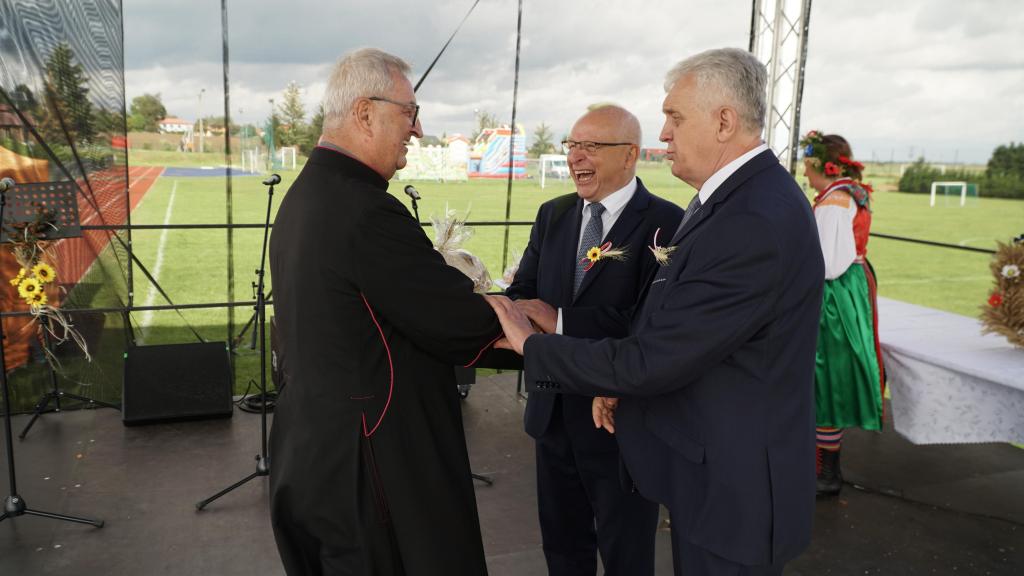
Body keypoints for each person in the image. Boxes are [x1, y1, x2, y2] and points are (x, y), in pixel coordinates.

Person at [485, 47, 824, 576]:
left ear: (724, 121)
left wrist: (534, 346)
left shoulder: (751, 218)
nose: (664, 134)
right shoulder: (736, 201)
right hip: (714, 472)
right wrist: (622, 385)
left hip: (734, 487)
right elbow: (686, 330)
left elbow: (655, 354)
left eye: (675, 118)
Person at [268, 48, 502, 576]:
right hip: (371, 460)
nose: (418, 130)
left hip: (312, 446)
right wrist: (523, 317)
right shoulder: (364, 207)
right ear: (365, 113)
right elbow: (456, 323)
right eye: (410, 112)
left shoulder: (306, 193)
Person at [505, 105, 683, 576]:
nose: (575, 157)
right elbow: (523, 291)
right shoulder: (553, 214)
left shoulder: (667, 224)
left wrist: (561, 320)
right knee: (562, 548)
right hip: (552, 413)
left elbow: (651, 322)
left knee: (627, 553)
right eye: (572, 145)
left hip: (621, 423)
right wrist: (513, 308)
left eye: (591, 146)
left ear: (629, 155)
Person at [799, 131, 885, 496]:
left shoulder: (834, 203)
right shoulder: (847, 194)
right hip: (847, 287)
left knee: (825, 376)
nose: (805, 173)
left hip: (832, 295)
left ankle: (825, 472)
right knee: (827, 376)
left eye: (807, 165)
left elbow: (826, 263)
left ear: (821, 165)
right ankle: (823, 467)